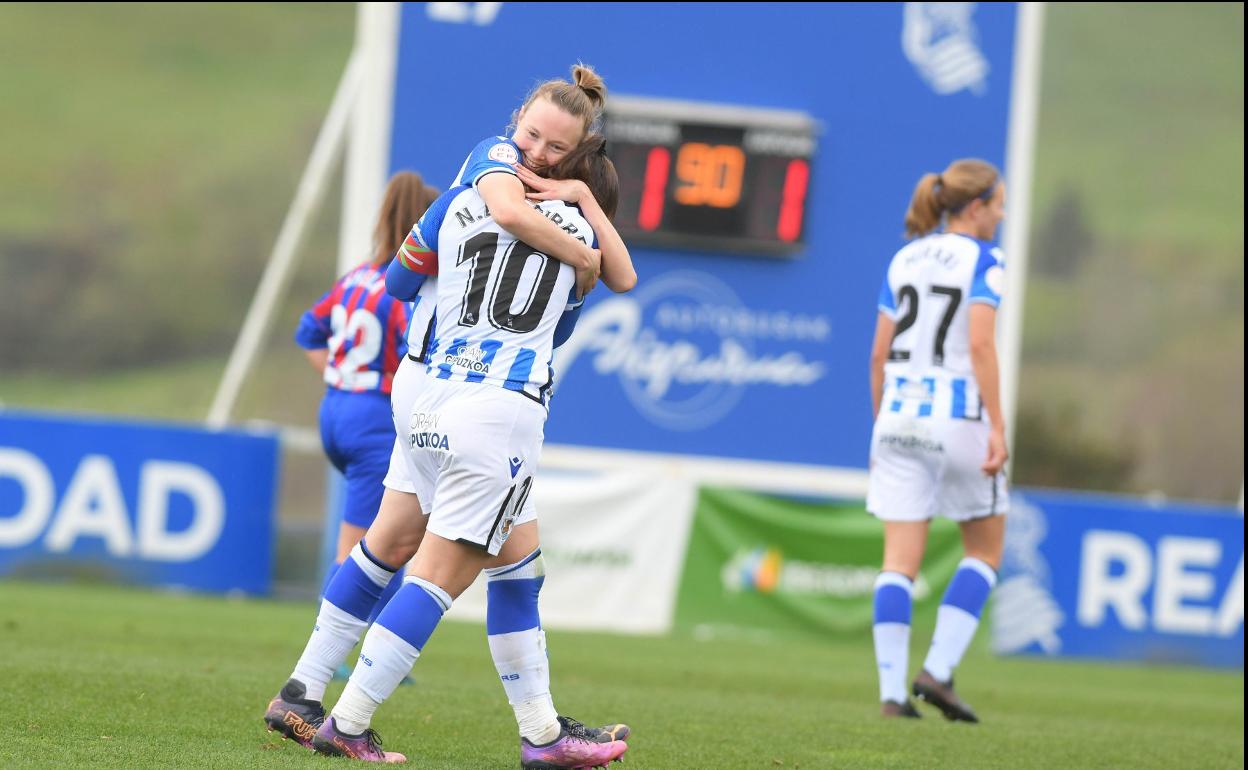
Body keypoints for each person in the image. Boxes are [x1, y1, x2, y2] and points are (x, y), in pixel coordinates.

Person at [263, 66, 633, 767]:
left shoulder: (462, 197)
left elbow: (400, 280)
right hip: (494, 412)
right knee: (439, 574)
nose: (537, 153)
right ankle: (349, 720)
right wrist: (585, 225)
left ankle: (307, 690)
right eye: (533, 137)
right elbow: (615, 281)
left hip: (421, 392)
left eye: (554, 147)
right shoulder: (582, 250)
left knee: (465, 556)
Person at [866, 158, 1009, 723]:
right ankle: (938, 671)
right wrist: (998, 426)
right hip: (957, 417)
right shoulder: (984, 258)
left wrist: (881, 426)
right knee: (985, 550)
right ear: (976, 207)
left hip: (897, 420)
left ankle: (892, 694)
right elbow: (979, 346)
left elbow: (877, 355)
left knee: (897, 563)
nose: (1001, 214)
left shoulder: (904, 257)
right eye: (998, 204)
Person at [293, 170, 440, 617]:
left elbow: (309, 332)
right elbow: (413, 358)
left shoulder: (355, 278)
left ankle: (372, 638)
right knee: (362, 545)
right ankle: (330, 651)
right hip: (373, 421)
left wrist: (344, 377)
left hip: (336, 409)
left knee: (385, 533)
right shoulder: (407, 293)